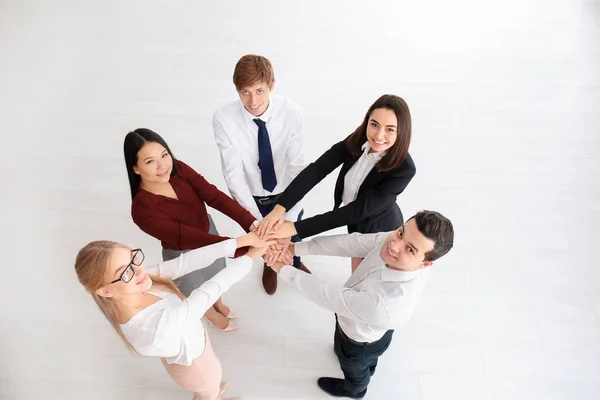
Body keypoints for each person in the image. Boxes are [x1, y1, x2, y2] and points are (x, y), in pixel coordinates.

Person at [268, 210, 454, 399]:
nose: (394, 245)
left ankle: (355, 390)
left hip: (357, 343)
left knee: (354, 368)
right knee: (367, 359)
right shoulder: (397, 241)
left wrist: (281, 268)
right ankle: (369, 366)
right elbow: (352, 243)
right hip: (371, 329)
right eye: (400, 232)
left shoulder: (384, 305)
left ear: (425, 264)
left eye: (410, 249)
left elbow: (330, 296)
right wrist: (294, 249)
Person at [74, 233, 271, 400]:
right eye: (125, 272)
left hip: (195, 351)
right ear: (105, 292)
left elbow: (184, 263)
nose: (140, 271)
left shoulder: (136, 284)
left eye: (133, 259)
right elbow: (210, 290)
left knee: (209, 387)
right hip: (198, 368)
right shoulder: (153, 327)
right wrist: (251, 256)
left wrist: (240, 242)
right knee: (210, 388)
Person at [256, 94, 416, 273]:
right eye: (374, 124)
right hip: (354, 224)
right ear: (367, 121)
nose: (379, 135)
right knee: (356, 273)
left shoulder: (405, 169)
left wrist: (293, 228)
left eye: (390, 129)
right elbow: (317, 170)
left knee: (368, 279)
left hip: (380, 229)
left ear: (402, 131)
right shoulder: (358, 139)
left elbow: (357, 211)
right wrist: (279, 209)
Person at [124, 128, 257, 331]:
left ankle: (218, 303)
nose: (163, 166)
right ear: (136, 168)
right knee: (197, 290)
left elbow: (214, 196)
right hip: (183, 252)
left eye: (164, 155)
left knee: (216, 274)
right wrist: (239, 246)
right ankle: (212, 315)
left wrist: (251, 224)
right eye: (150, 161)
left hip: (210, 233)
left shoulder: (179, 170)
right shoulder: (142, 210)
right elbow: (186, 236)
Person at [212, 54, 310, 296]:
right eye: (245, 92)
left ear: (272, 86)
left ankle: (293, 259)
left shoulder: (292, 112)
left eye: (260, 91)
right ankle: (271, 264)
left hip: (289, 191)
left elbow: (298, 167)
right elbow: (232, 174)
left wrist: (290, 217)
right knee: (265, 239)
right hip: (253, 195)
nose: (253, 101)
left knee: (291, 234)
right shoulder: (224, 119)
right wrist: (258, 224)